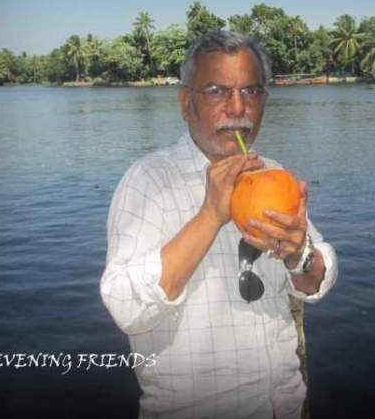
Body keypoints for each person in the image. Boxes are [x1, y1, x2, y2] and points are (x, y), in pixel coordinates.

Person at [100, 30, 338, 419]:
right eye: (216, 91)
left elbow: (316, 282)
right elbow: (126, 308)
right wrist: (210, 216)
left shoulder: (275, 174)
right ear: (186, 103)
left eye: (251, 91)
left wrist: (300, 254)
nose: (237, 107)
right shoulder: (149, 182)